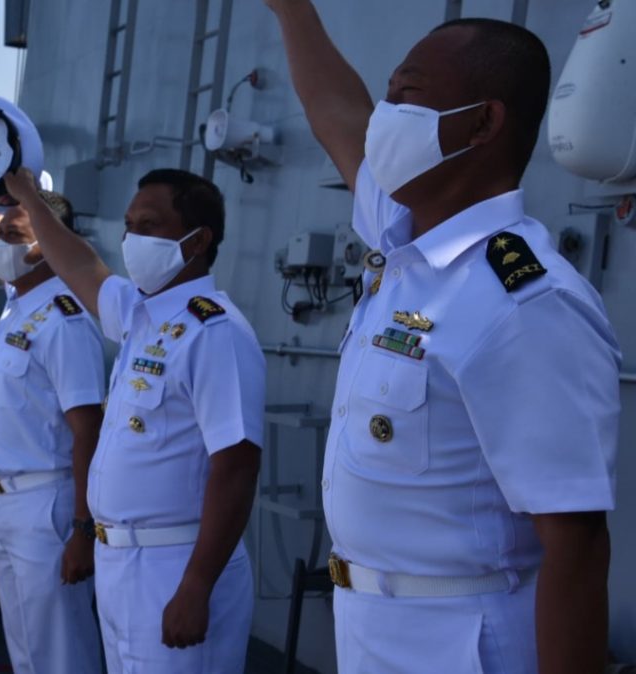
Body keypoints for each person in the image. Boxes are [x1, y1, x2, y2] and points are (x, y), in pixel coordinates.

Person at [265, 2, 620, 672]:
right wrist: (292, 10)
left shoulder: (526, 302)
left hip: (461, 639)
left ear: (483, 122)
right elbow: (337, 114)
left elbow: (575, 543)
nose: (384, 116)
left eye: (407, 96)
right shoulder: (403, 238)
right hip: (370, 624)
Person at [3, 167, 266, 674]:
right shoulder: (140, 316)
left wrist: (196, 586)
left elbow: (236, 468)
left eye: (149, 226)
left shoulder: (216, 331)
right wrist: (30, 199)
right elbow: (80, 263)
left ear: (198, 241)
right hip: (120, 564)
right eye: (128, 226)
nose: (132, 239)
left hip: (176, 564)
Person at [0, 191, 104, 674]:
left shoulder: (64, 319)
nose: (0, 244)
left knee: (59, 648)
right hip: (8, 502)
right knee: (26, 645)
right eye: (0, 234)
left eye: (14, 235)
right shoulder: (19, 306)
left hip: (46, 504)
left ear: (47, 242)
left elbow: (87, 428)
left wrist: (83, 529)